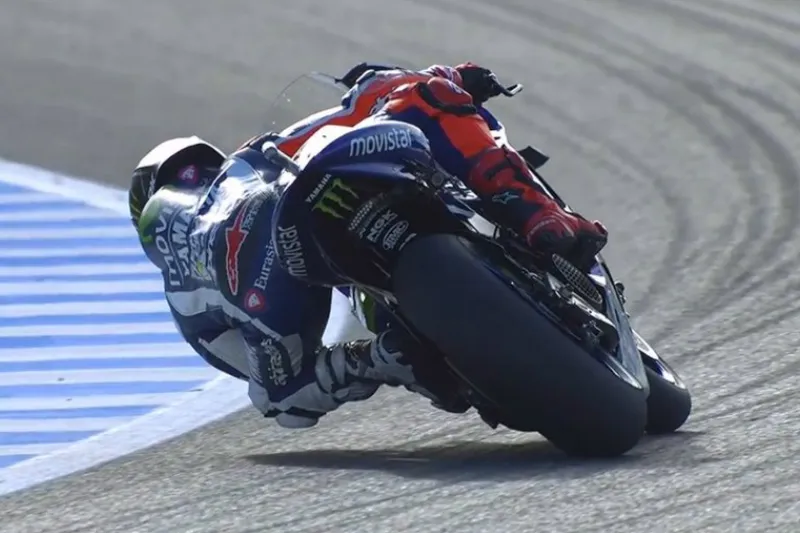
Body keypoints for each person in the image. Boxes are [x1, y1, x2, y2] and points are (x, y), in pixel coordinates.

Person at [128, 61, 609, 430]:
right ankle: (534, 214)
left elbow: (275, 396)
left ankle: (397, 356)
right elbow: (376, 97)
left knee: (307, 381)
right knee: (426, 94)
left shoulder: (186, 291)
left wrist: (365, 362)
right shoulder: (256, 155)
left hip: (276, 280)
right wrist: (452, 78)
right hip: (294, 252)